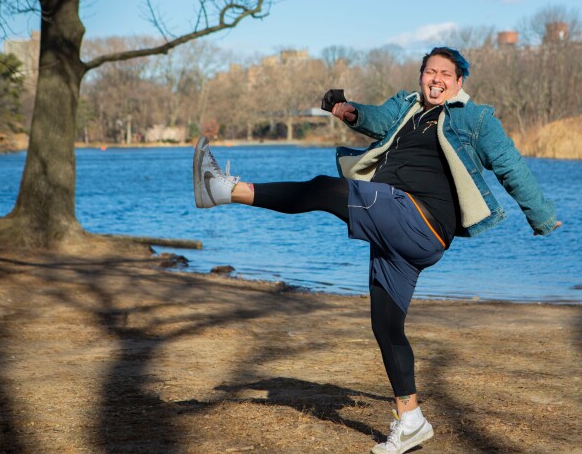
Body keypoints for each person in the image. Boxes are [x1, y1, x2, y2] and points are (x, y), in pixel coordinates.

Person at [193, 46, 561, 454]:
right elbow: (375, 118)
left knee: (322, 189)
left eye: (445, 74)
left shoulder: (474, 119)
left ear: (459, 83)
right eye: (430, 71)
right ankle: (411, 419)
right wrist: (348, 111)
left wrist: (541, 216)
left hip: (420, 219)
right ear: (421, 76)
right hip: (393, 226)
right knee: (386, 325)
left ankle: (225, 190)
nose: (436, 79)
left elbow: (510, 165)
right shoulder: (407, 108)